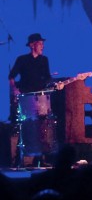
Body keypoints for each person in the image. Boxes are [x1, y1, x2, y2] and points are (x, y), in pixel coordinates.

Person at [8, 33, 63, 167]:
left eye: (43, 44)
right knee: (25, 123)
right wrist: (15, 90)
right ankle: (19, 157)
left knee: (42, 125)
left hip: (41, 97)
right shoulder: (22, 59)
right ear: (32, 45)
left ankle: (40, 157)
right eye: (40, 43)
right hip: (26, 97)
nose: (42, 46)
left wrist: (57, 84)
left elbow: (48, 78)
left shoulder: (44, 60)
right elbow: (11, 76)